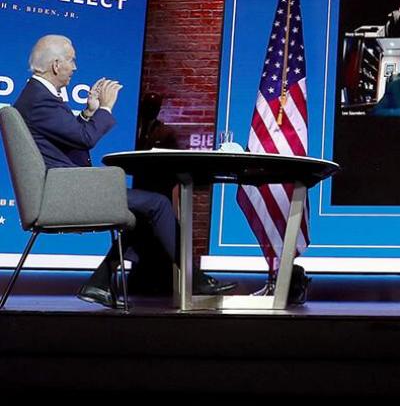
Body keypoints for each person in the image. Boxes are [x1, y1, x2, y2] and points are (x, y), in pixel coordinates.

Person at [12, 35, 234, 308]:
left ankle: (100, 283)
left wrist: (87, 113)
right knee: (158, 203)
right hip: (62, 192)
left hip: (63, 187)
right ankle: (192, 277)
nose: (75, 67)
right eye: (71, 60)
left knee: (143, 211)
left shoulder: (37, 96)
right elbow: (84, 140)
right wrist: (105, 108)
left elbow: (68, 136)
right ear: (56, 65)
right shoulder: (40, 99)